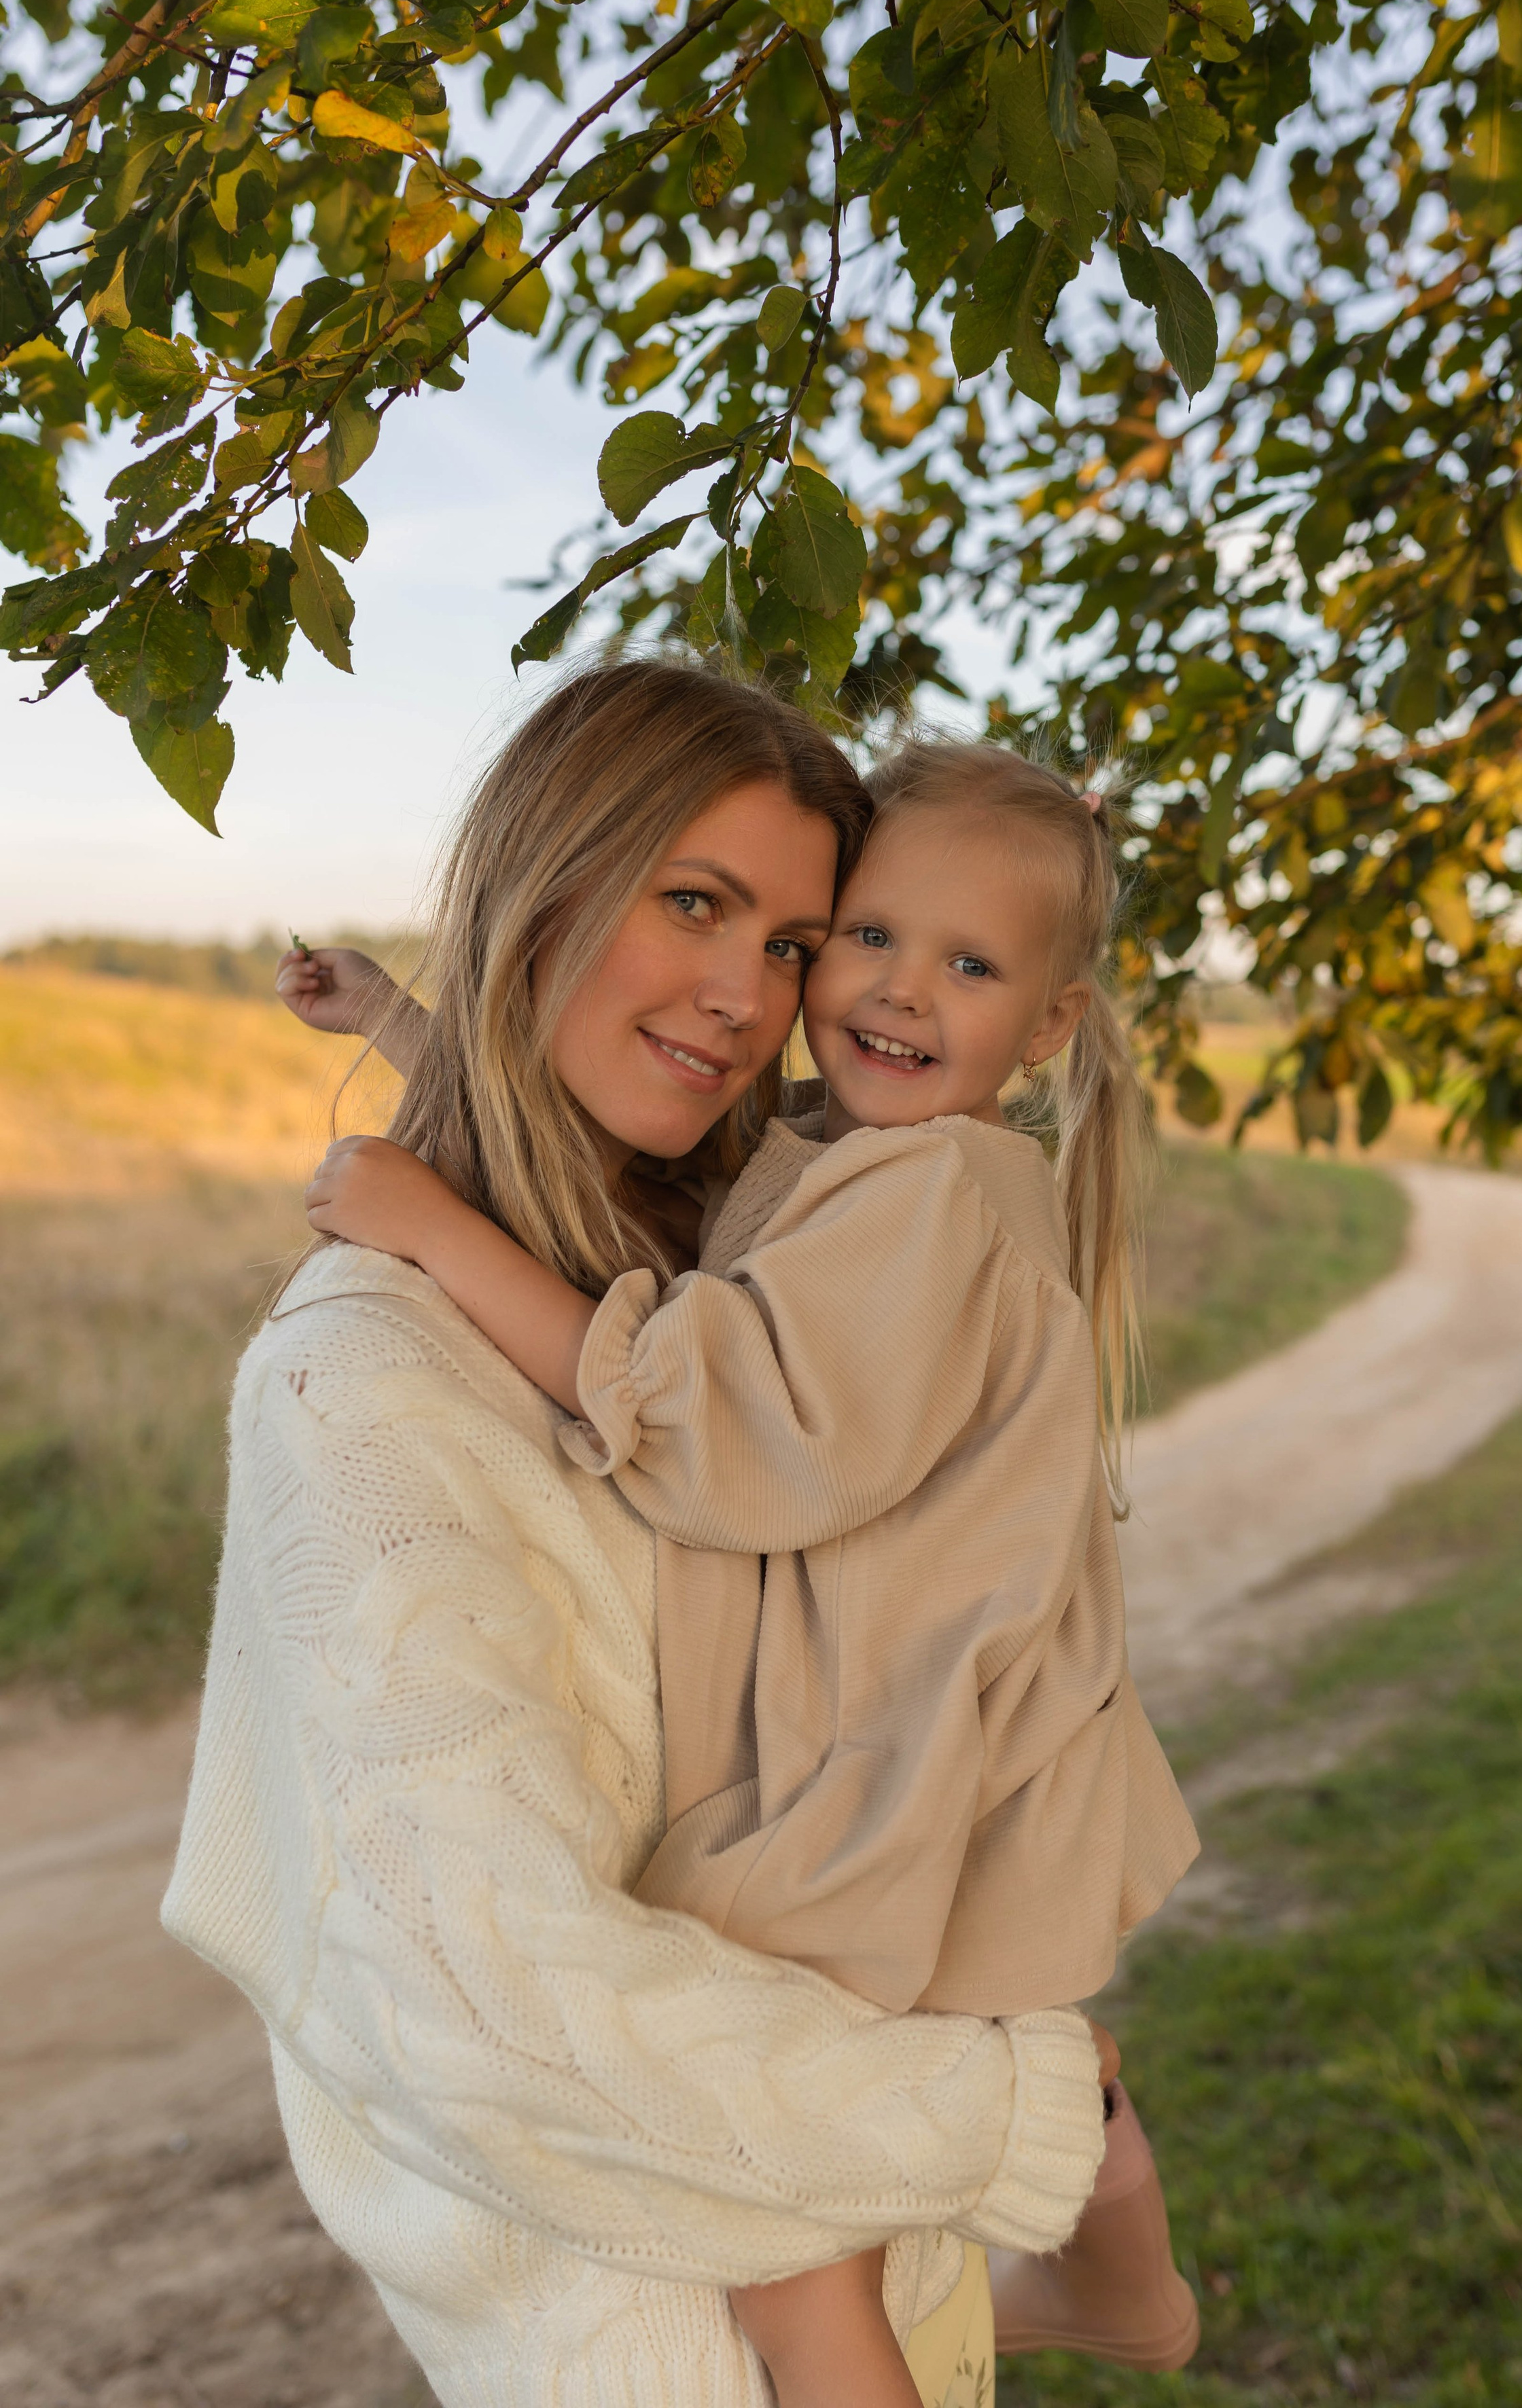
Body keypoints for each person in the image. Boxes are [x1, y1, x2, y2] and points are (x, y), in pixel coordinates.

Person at [164, 658, 1115, 2408]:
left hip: (899, 2268)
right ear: (549, 884)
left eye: (785, 943)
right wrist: (1023, 2113)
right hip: (665, 2349)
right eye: (699, 904)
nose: (754, 998)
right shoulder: (363, 1386)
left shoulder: (697, 1263)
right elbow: (496, 2014)